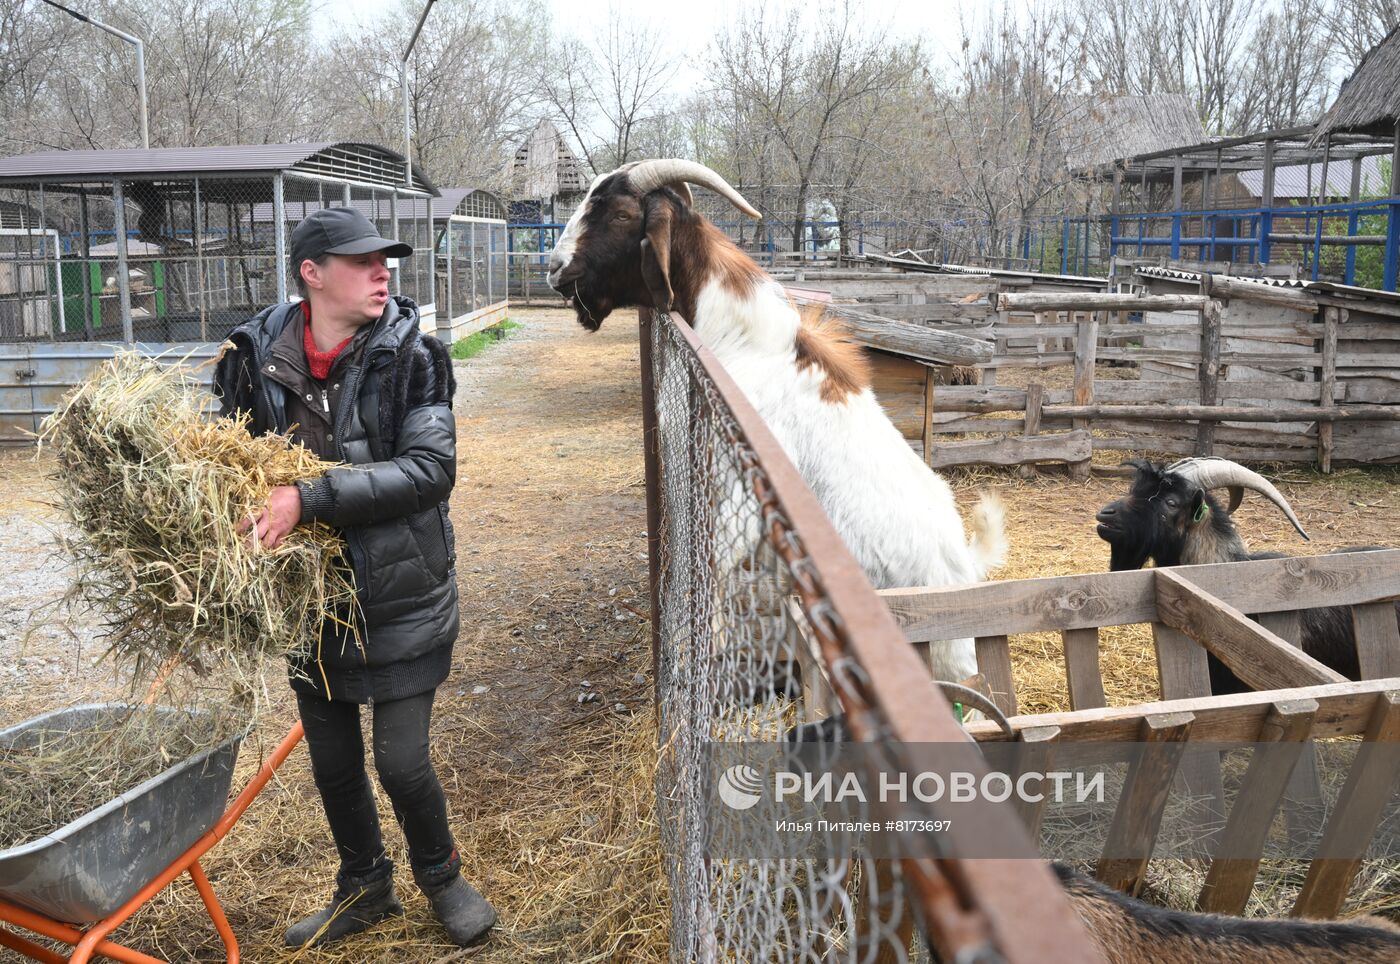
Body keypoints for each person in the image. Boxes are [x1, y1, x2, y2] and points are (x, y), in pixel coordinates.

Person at [213, 207, 496, 950]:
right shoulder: (250, 357)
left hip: (402, 590)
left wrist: (306, 498)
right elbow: (225, 464)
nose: (384, 273)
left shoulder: (415, 356)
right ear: (312, 272)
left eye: (386, 261)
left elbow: (432, 471)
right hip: (312, 600)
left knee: (401, 762)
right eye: (363, 261)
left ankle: (442, 877)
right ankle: (364, 886)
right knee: (334, 764)